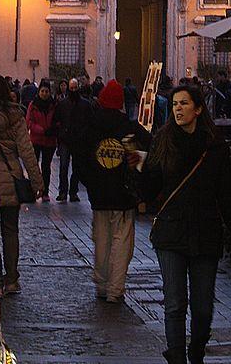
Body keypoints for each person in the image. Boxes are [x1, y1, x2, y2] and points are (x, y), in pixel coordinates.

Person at [130, 84, 231, 364]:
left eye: (184, 103)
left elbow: (225, 194)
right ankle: (178, 358)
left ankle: (197, 350)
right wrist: (136, 167)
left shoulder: (214, 147)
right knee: (175, 302)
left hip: (206, 232)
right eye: (175, 104)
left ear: (198, 108)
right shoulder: (163, 140)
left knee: (203, 307)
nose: (178, 109)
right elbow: (149, 190)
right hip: (171, 230)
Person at [77, 80, 151, 303]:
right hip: (123, 194)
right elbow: (148, 145)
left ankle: (101, 284)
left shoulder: (90, 126)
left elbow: (79, 157)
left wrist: (89, 182)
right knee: (121, 242)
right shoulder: (128, 127)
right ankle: (115, 289)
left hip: (98, 194)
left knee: (101, 239)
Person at [0, 74, 44, 294]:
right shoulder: (14, 115)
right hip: (11, 179)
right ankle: (12, 279)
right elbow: (26, 151)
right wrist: (37, 181)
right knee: (10, 231)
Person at [54, 77, 91, 202]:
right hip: (66, 139)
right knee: (64, 166)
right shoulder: (63, 104)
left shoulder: (85, 104)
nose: (73, 90)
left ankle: (72, 191)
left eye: (75, 88)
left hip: (78, 139)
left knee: (76, 167)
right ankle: (63, 191)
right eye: (71, 88)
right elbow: (57, 120)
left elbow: (89, 121)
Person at [26, 78, 57, 202]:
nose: (44, 93)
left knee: (46, 167)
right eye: (42, 91)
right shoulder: (33, 105)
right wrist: (42, 130)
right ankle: (34, 190)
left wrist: (52, 129)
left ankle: (45, 191)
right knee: (34, 166)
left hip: (49, 141)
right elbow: (29, 122)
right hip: (36, 139)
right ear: (39, 92)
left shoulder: (54, 105)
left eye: (46, 91)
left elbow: (57, 120)